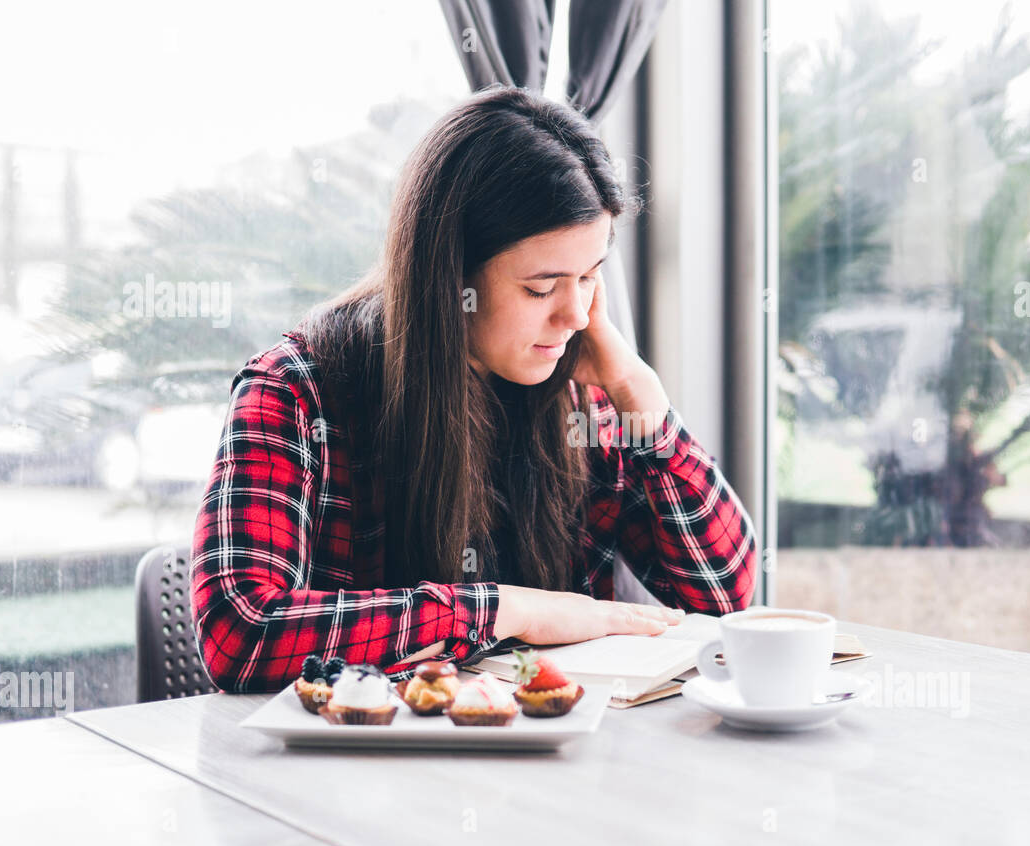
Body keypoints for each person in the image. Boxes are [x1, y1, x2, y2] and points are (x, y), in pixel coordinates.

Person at [190, 85, 757, 693]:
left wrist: (643, 401)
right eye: (542, 288)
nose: (576, 314)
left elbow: (724, 596)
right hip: (351, 776)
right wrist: (507, 610)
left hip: (553, 763)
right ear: (449, 276)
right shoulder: (297, 393)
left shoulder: (583, 397)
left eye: (591, 277)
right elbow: (240, 633)